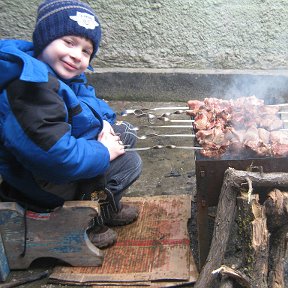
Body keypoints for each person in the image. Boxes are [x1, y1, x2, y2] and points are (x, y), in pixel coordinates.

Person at [0, 0, 142, 249]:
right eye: (69, 42)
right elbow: (56, 159)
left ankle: (104, 204)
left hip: (57, 159)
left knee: (124, 134)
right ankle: (87, 219)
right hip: (40, 182)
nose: (77, 55)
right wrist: (104, 151)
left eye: (86, 51)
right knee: (129, 163)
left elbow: (91, 104)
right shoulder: (31, 88)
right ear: (44, 39)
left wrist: (106, 126)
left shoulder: (62, 75)